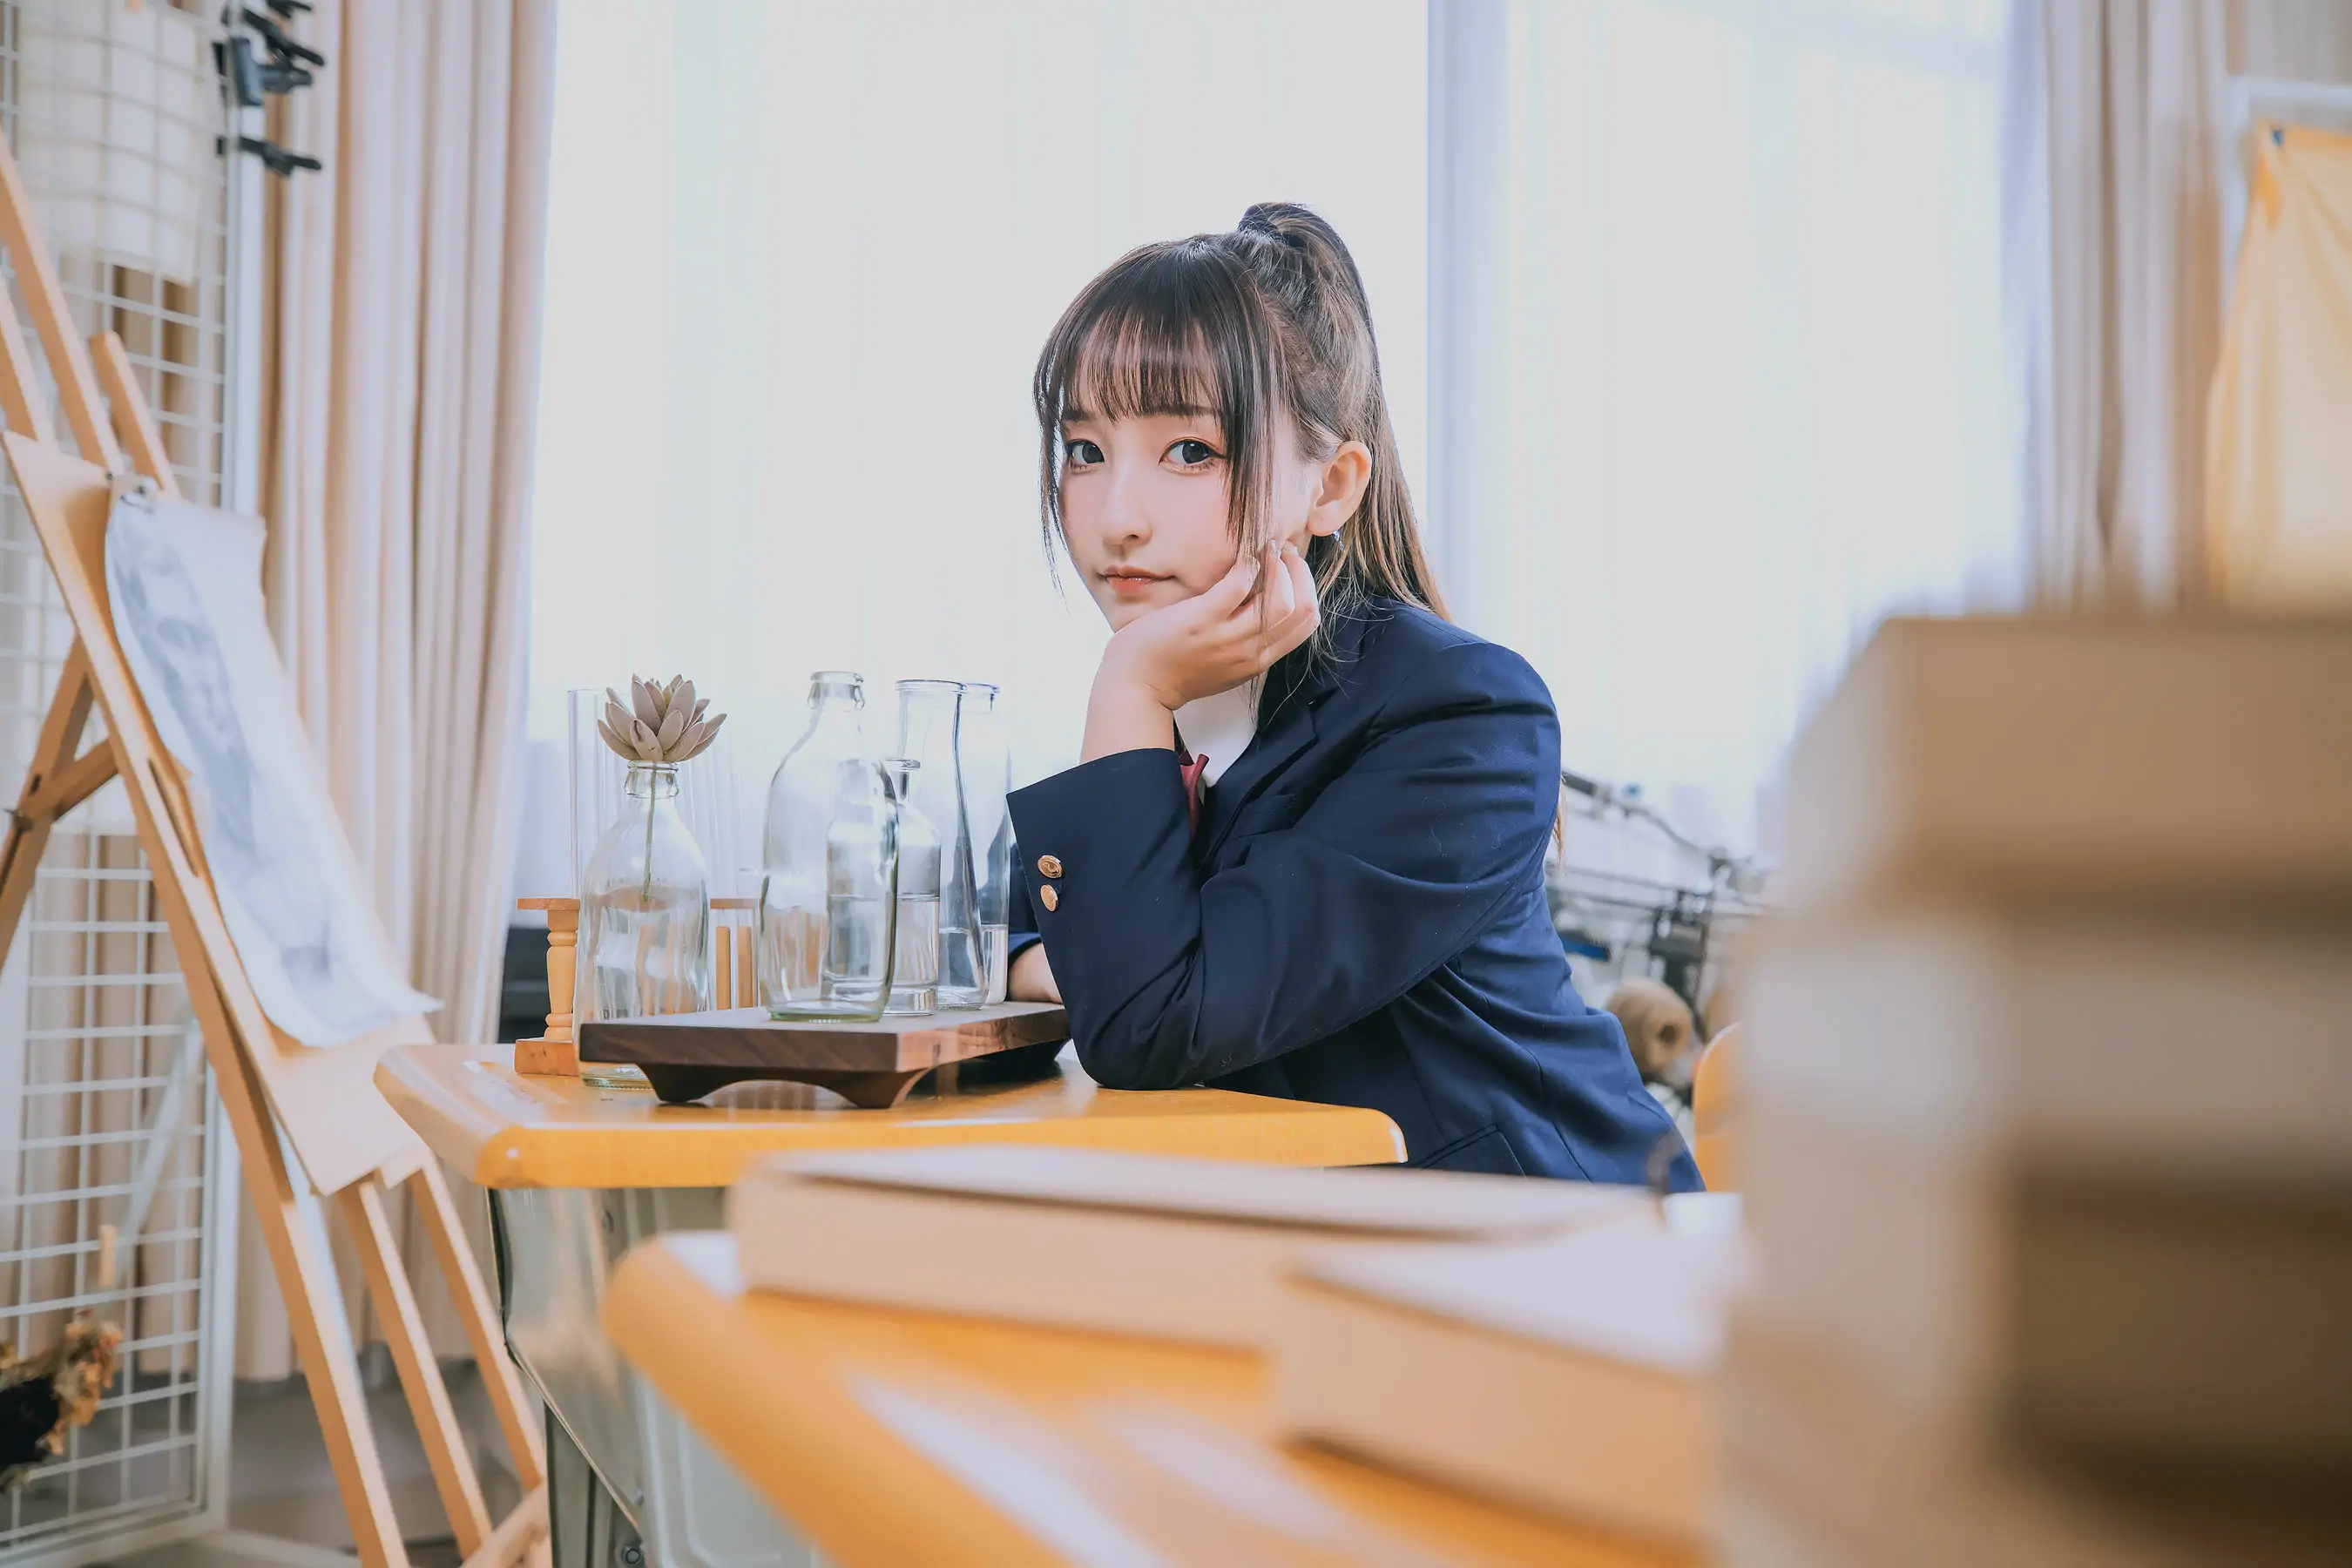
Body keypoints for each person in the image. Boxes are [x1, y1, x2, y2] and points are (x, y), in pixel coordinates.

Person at [1004, 202, 1699, 1186]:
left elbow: (1145, 1022)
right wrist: (1102, 955)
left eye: (1191, 450)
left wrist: (1131, 682)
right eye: (1085, 451)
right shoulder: (1166, 717)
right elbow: (995, 936)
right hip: (1312, 1249)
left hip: (1554, 1243)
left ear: (1332, 486)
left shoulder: (1463, 719)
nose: (1117, 517)